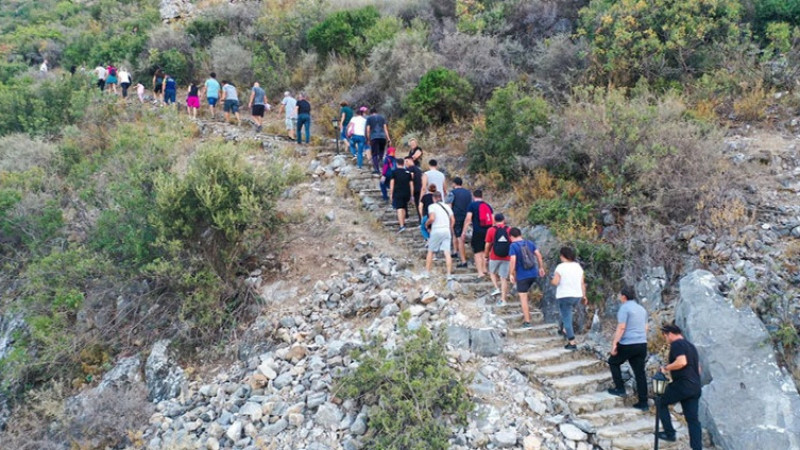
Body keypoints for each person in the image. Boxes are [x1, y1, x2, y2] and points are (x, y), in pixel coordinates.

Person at [657, 323, 702, 448]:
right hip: (695, 387)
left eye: (665, 336)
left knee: (660, 401)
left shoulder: (677, 344)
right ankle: (697, 447)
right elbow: (698, 369)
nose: (666, 339)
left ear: (670, 334)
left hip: (683, 385)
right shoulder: (691, 346)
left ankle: (669, 433)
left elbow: (682, 362)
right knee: (693, 420)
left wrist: (666, 368)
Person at [607, 286, 649, 411]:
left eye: (620, 295)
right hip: (641, 343)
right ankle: (643, 402)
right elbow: (646, 328)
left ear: (624, 297)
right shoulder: (642, 309)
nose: (619, 297)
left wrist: (615, 344)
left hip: (628, 343)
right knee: (640, 373)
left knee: (613, 361)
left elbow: (622, 327)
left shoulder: (624, 308)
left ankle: (620, 388)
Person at [509, 228, 545, 328]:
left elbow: (513, 260)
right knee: (531, 293)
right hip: (534, 273)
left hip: (522, 275)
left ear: (511, 236)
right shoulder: (529, 243)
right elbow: (538, 255)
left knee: (523, 298)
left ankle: (527, 321)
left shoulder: (513, 246)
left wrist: (511, 274)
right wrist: (541, 267)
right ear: (520, 234)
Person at [551, 247, 587, 349]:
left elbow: (556, 282)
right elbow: (582, 283)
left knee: (567, 318)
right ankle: (563, 329)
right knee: (567, 313)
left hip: (565, 295)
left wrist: (552, 280)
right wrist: (584, 296)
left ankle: (572, 342)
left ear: (562, 256)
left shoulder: (560, 267)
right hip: (577, 295)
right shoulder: (578, 267)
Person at [464, 190, 493, 278]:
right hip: (487, 231)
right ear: (482, 196)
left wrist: (464, 231)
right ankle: (485, 269)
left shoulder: (472, 205)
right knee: (485, 251)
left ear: (473, 196)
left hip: (477, 231)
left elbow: (468, 218)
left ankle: (480, 272)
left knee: (477, 252)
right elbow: (492, 219)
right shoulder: (487, 205)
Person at [426, 191, 455, 276]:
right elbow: (453, 220)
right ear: (441, 197)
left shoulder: (432, 206)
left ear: (433, 198)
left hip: (436, 230)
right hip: (446, 230)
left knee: (430, 251)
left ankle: (427, 272)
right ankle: (449, 274)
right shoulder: (447, 206)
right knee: (447, 252)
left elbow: (432, 218)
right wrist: (450, 228)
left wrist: (426, 224)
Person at [485, 214, 512, 304]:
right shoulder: (509, 230)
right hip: (507, 257)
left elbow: (488, 245)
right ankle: (503, 299)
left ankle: (496, 288)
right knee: (503, 278)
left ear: (494, 220)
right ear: (504, 219)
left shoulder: (491, 230)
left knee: (492, 272)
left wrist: (486, 256)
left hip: (494, 256)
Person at [446, 177, 472, 268]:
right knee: (458, 235)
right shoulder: (468, 193)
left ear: (454, 183)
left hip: (456, 216)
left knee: (459, 237)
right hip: (466, 216)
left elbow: (449, 206)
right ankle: (455, 251)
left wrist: (449, 218)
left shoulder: (452, 193)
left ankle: (463, 261)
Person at [389, 157, 414, 233]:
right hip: (406, 193)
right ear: (403, 164)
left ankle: (401, 225)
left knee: (399, 208)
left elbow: (392, 184)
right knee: (403, 207)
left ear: (396, 164)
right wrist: (412, 195)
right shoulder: (408, 173)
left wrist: (391, 194)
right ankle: (403, 222)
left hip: (398, 192)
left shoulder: (394, 172)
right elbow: (411, 185)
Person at [366, 107, 391, 174]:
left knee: (374, 154)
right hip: (382, 137)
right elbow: (385, 129)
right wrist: (388, 138)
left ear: (371, 113)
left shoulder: (369, 118)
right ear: (376, 112)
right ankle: (383, 168)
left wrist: (368, 139)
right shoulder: (382, 118)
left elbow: (368, 130)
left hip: (374, 137)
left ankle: (377, 169)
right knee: (381, 153)